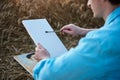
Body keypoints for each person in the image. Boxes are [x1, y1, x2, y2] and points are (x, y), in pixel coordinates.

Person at [33, 0, 120, 80]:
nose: (88, 3)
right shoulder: (113, 31)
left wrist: (43, 59)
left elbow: (49, 76)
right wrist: (83, 31)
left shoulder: (99, 42)